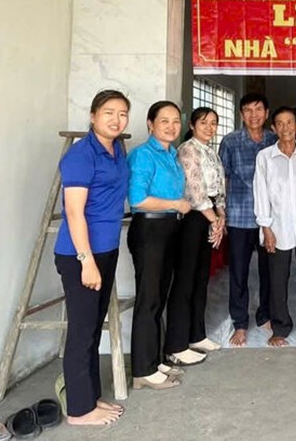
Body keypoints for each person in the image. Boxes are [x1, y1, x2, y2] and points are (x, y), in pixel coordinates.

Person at [53, 90, 130, 425]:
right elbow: (73, 212)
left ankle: (89, 397)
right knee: (82, 331)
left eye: (123, 113)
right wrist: (86, 260)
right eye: (109, 112)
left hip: (106, 250)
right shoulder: (81, 155)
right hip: (80, 255)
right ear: (93, 115)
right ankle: (79, 411)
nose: (116, 119)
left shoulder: (116, 151)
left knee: (92, 327)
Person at [127, 100, 191, 390]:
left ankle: (154, 360)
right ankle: (142, 370)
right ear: (150, 124)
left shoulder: (173, 153)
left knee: (159, 297)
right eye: (164, 120)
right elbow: (137, 199)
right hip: (149, 229)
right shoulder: (142, 155)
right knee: (148, 299)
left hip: (168, 228)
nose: (171, 126)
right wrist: (176, 203)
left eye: (176, 121)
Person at [254, 106, 296, 347]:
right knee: (277, 280)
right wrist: (266, 228)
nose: (285, 128)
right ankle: (280, 327)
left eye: (289, 123)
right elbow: (260, 193)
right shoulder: (264, 157)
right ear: (273, 128)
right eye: (280, 123)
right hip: (277, 228)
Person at [163, 107, 226, 362]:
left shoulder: (211, 151)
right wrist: (214, 220)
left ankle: (196, 334)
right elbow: (195, 191)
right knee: (185, 279)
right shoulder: (187, 150)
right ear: (192, 125)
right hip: (193, 218)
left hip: (210, 216)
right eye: (204, 122)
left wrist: (221, 218)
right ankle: (177, 344)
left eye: (213, 123)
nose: (209, 128)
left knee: (201, 277)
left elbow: (218, 188)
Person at [219, 93, 277, 347]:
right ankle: (240, 323)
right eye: (248, 110)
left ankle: (266, 314)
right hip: (240, 216)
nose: (254, 115)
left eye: (258, 110)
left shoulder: (275, 140)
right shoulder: (230, 141)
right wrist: (221, 213)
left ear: (266, 113)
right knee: (239, 273)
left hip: (270, 219)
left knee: (270, 271)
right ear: (241, 114)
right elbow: (224, 179)